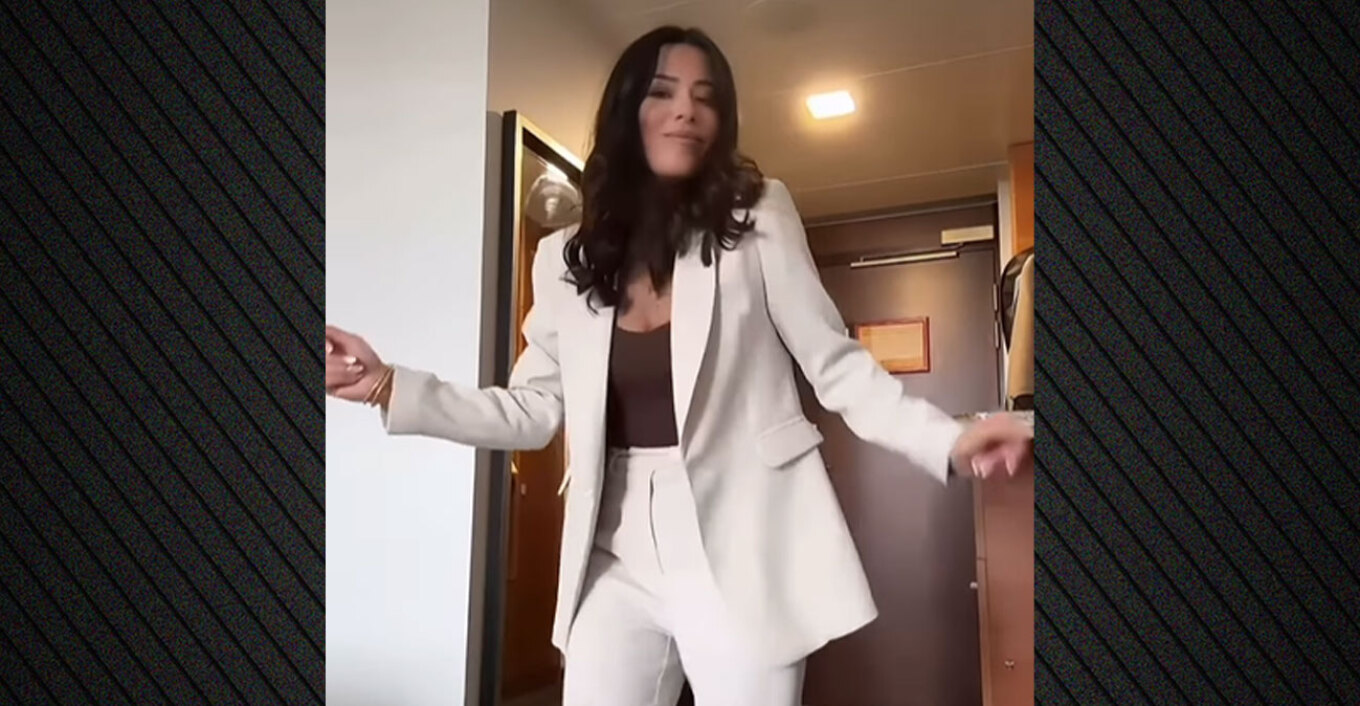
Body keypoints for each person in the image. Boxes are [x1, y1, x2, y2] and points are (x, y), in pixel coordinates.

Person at [326, 25, 1033, 706]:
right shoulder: (565, 258)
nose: (687, 110)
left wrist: (949, 439)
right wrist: (386, 385)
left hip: (743, 537)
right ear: (626, 111)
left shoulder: (757, 218)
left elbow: (835, 365)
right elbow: (531, 411)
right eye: (663, 92)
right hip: (613, 545)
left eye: (706, 97)